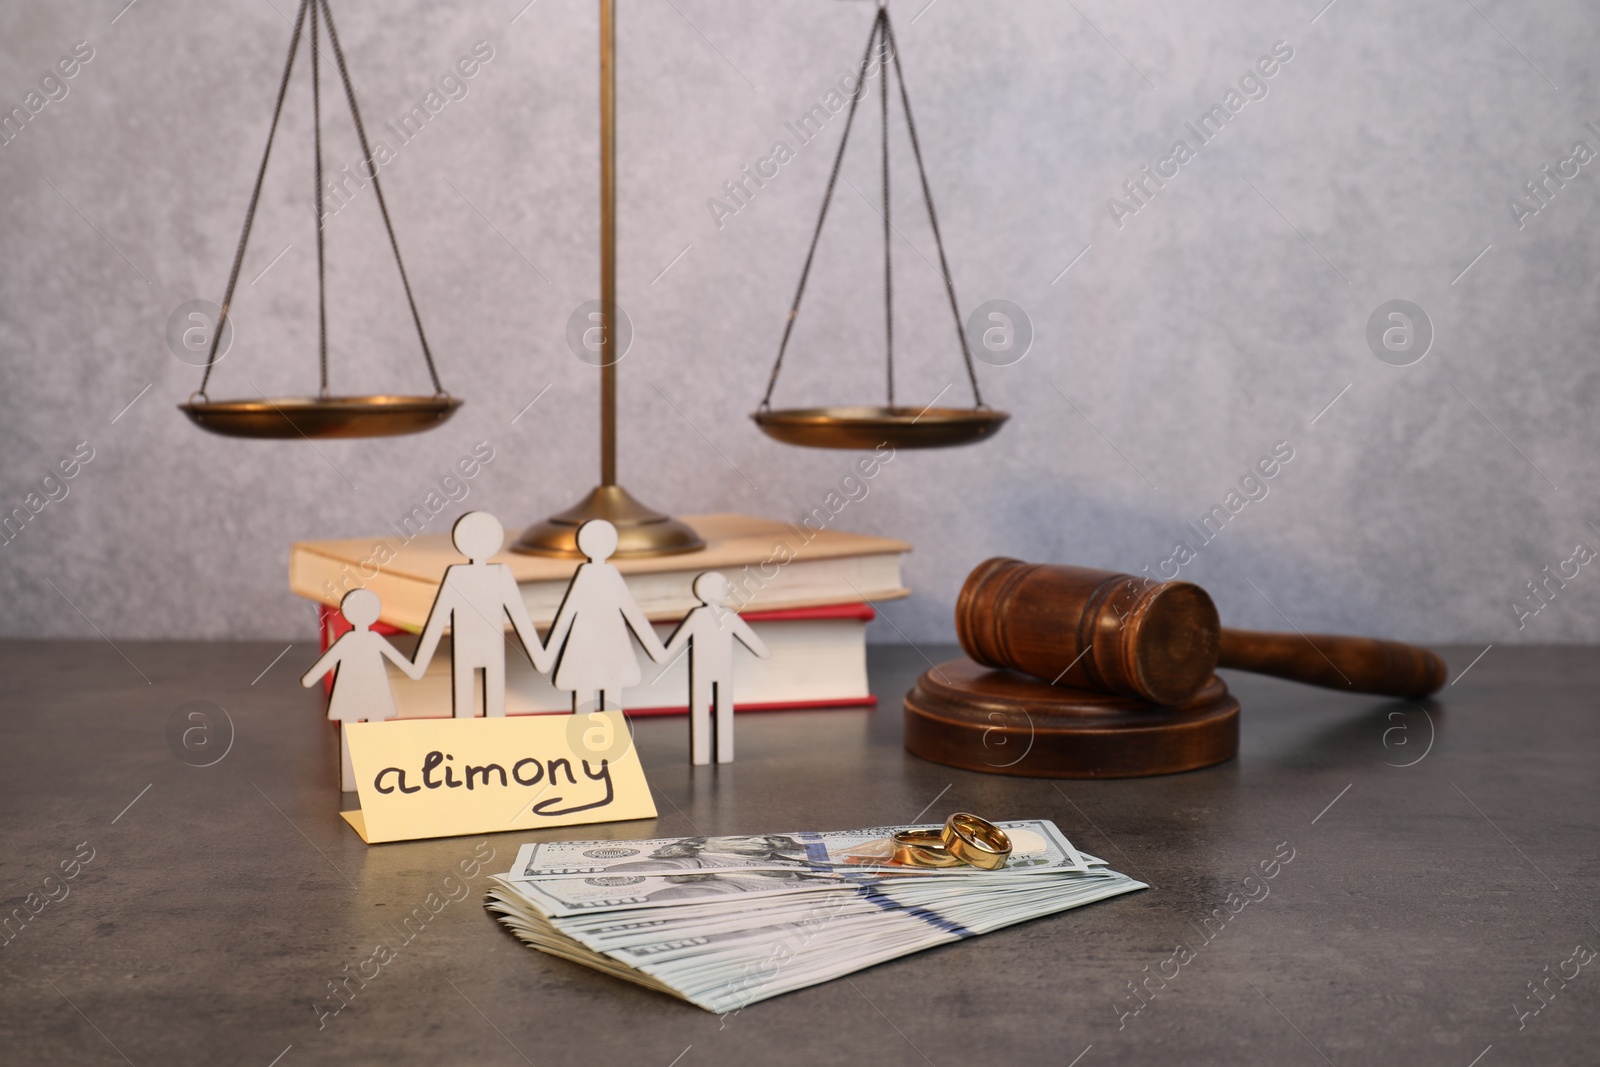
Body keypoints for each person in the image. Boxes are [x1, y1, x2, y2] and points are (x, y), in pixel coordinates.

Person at [411, 511, 550, 718]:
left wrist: (420, 663)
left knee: (490, 702)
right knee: (467, 703)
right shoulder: (461, 575)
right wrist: (539, 656)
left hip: (489, 647)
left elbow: (517, 613)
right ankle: (469, 743)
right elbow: (439, 616)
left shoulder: (496, 574)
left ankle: (491, 743)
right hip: (468, 647)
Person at [300, 588, 424, 789]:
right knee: (357, 730)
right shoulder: (353, 640)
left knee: (370, 730)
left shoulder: (365, 639)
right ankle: (355, 779)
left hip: (370, 692)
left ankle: (373, 776)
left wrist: (412, 669)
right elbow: (327, 662)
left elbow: (398, 660)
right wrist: (413, 670)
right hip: (356, 692)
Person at [544, 519, 667, 714]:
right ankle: (587, 741)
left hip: (606, 646)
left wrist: (546, 655)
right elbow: (631, 612)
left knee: (605, 692)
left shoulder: (604, 574)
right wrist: (658, 650)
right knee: (597, 692)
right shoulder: (592, 575)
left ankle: (606, 741)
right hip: (593, 646)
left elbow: (631, 611)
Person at [661, 571, 770, 764]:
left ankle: (706, 755)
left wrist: (661, 654)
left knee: (705, 710)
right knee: (720, 710)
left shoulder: (703, 616)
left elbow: (672, 646)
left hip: (706, 671)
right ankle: (715, 753)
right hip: (713, 671)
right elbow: (753, 642)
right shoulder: (723, 616)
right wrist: (762, 652)